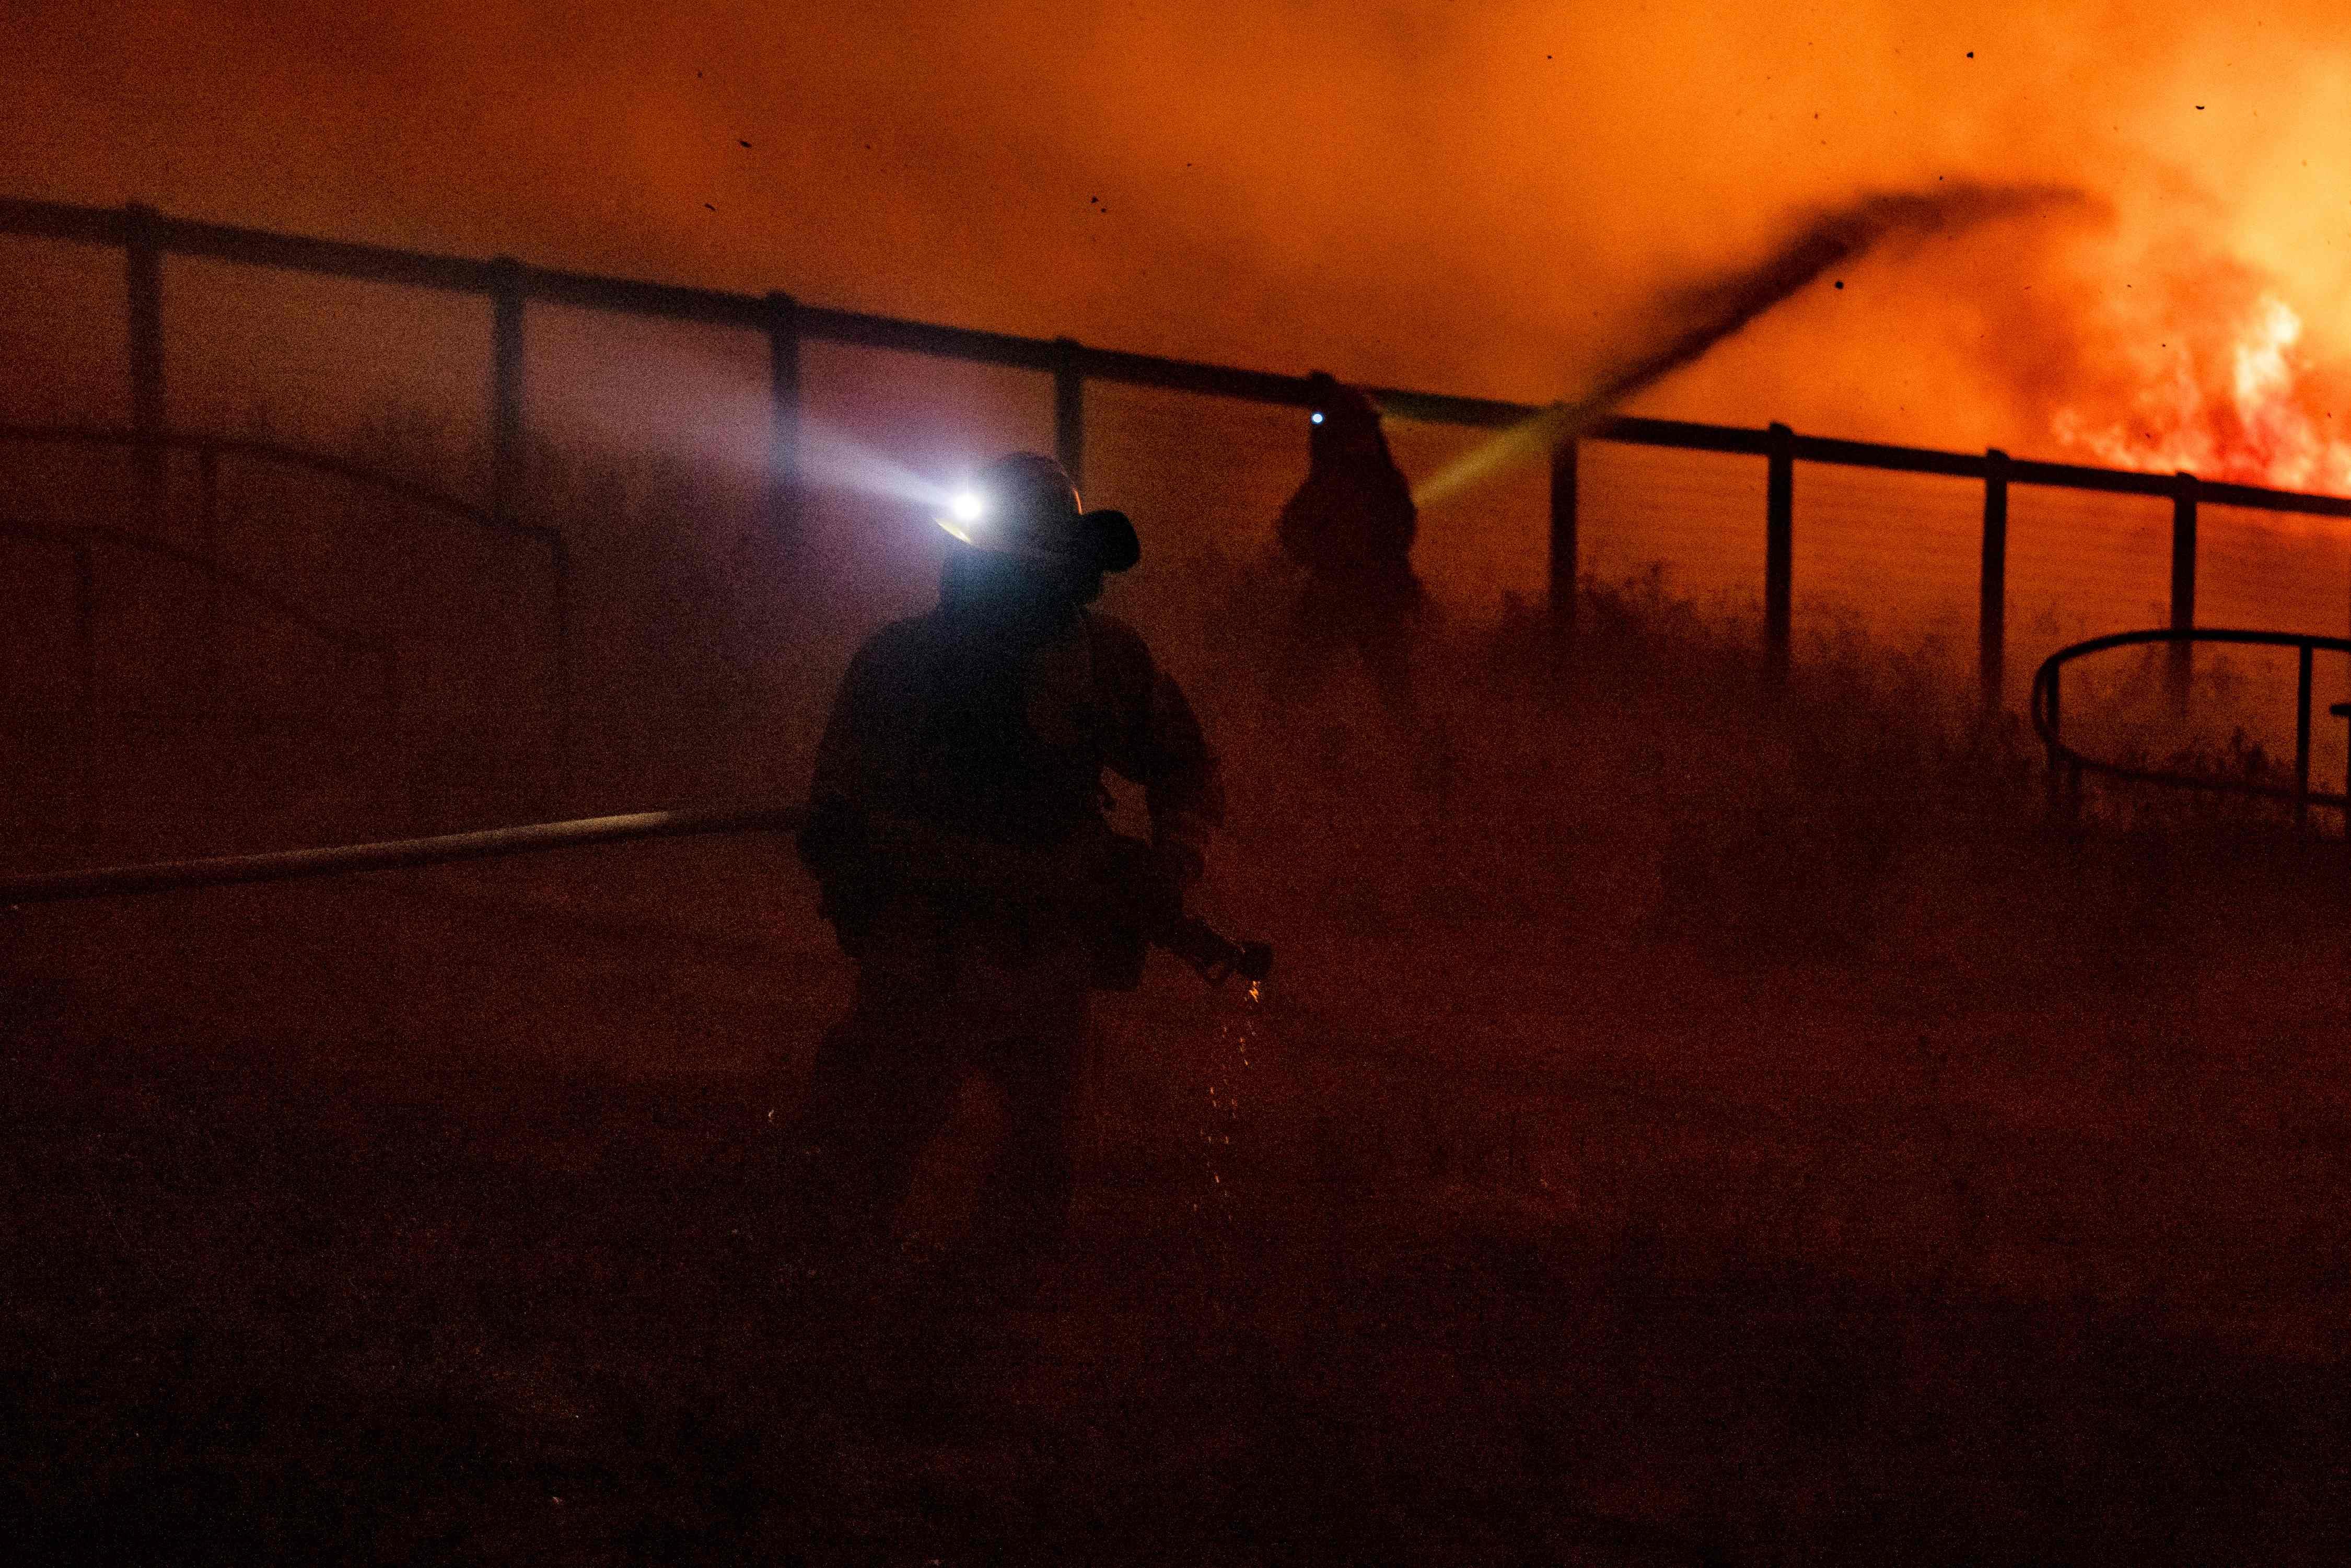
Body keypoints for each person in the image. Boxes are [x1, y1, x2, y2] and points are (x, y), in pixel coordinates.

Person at [786, 452, 1224, 1276]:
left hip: (1049, 941)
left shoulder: (1105, 663)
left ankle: (994, 1305)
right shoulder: (903, 662)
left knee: (1039, 1156)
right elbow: (838, 806)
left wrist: (1173, 862)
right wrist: (853, 845)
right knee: (870, 1140)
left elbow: (1187, 766)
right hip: (930, 941)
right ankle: (831, 1280)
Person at [1274, 370, 1428, 726]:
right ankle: (1423, 760)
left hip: (1344, 592)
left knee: (1290, 691)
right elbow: (1402, 532)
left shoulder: (1340, 480)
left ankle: (1281, 746)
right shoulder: (1381, 480)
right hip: (1369, 594)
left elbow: (1293, 530)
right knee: (1395, 693)